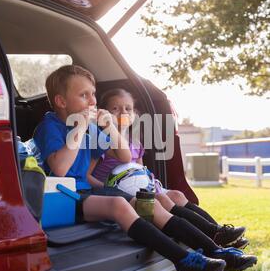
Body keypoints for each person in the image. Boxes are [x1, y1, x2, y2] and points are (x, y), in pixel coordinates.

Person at [34, 65, 257, 271]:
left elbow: (123, 155)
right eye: (84, 95)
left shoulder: (91, 129)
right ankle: (183, 261)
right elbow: (60, 168)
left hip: (86, 192)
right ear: (61, 102)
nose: (92, 101)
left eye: (93, 94)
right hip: (63, 196)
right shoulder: (50, 126)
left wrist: (110, 127)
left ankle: (216, 250)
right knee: (119, 206)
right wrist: (79, 128)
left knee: (149, 205)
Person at [89, 88, 249, 249]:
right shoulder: (104, 140)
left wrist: (152, 184)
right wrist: (108, 189)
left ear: (135, 113)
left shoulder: (135, 141)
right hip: (115, 191)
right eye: (115, 109)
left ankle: (218, 232)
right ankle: (212, 236)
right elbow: (87, 175)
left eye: (128, 108)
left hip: (140, 187)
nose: (123, 112)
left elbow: (140, 169)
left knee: (178, 195)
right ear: (104, 114)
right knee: (163, 199)